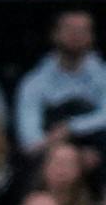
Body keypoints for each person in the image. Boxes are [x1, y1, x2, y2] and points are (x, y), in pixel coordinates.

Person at [16, 10, 106, 157]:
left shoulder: (103, 75)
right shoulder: (34, 81)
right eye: (70, 29)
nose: (76, 35)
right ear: (54, 34)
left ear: (92, 36)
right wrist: (60, 151)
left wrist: (71, 127)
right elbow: (30, 140)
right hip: (49, 154)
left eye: (83, 30)